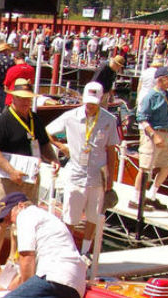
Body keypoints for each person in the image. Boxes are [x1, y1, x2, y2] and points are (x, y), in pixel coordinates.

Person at [0, 78, 59, 275]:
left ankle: (13, 257)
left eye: (28, 99)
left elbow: (43, 143)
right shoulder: (4, 120)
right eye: (21, 99)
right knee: (2, 220)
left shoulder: (34, 119)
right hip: (8, 179)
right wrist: (11, 171)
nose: (25, 102)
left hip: (29, 178)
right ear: (13, 99)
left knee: (23, 220)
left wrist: (53, 159)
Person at [46, 81, 120, 257]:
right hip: (76, 174)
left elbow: (111, 151)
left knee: (94, 217)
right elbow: (47, 132)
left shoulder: (109, 120)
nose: (90, 107)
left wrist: (111, 177)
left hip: (97, 176)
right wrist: (61, 147)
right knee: (70, 216)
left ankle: (86, 251)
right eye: (88, 103)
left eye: (94, 103)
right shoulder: (70, 116)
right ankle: (67, 250)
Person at [132, 66, 168, 210]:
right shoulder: (151, 96)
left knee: (167, 165)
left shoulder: (164, 95)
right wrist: (153, 135)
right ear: (160, 79)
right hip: (153, 134)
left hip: (164, 133)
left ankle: (151, 195)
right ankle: (136, 198)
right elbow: (141, 117)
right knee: (145, 168)